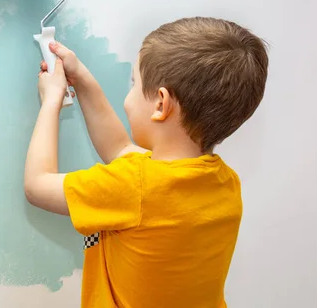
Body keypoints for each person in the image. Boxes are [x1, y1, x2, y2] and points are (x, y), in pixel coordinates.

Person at [23, 17, 269, 307]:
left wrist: (51, 100)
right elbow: (119, 147)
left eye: (134, 84)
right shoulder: (224, 183)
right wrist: (83, 79)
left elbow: (37, 185)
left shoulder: (134, 186)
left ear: (161, 105)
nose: (128, 96)